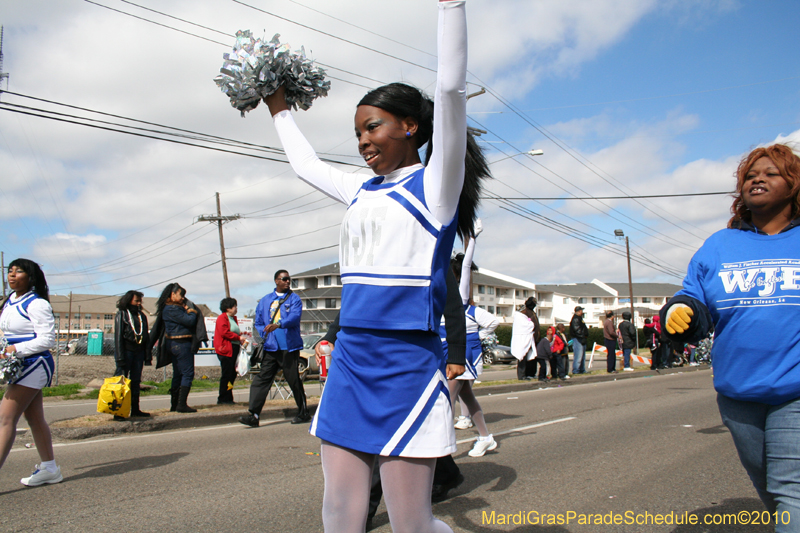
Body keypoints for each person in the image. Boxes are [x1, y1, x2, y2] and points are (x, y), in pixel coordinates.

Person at [262, 2, 484, 530]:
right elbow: (305, 164)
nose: (362, 141)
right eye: (358, 132)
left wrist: (450, 5)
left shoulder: (435, 186)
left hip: (407, 364)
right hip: (352, 362)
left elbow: (450, 89)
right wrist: (276, 103)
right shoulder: (359, 189)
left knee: (412, 525)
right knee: (340, 514)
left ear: (410, 126)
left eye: (373, 127)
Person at [660, 144, 800, 532]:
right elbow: (693, 298)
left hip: (796, 389)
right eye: (751, 175)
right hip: (738, 393)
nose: (758, 178)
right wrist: (679, 312)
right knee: (770, 491)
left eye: (771, 173)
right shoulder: (718, 246)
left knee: (792, 490)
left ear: (794, 184)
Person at [0, 258, 62, 486]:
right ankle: (50, 468)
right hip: (18, 364)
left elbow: (47, 340)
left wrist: (16, 349)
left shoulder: (37, 303)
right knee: (34, 418)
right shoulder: (10, 301)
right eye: (10, 271)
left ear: (31, 276)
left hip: (34, 363)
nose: (12, 275)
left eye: (19, 271)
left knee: (5, 419)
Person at [448, 221, 500, 457]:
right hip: (443, 350)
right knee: (465, 397)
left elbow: (466, 265)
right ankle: (486, 436)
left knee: (448, 399)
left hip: (462, 353)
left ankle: (441, 452)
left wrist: (472, 239)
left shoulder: (460, 294)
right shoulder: (437, 295)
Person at [239, 270, 309, 426]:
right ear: (276, 281)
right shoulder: (265, 301)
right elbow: (258, 321)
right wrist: (264, 333)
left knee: (293, 381)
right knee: (261, 380)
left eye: (288, 279)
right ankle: (254, 415)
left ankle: (303, 412)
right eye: (284, 279)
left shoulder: (294, 299)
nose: (287, 282)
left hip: (289, 348)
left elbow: (294, 317)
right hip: (271, 348)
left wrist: (279, 325)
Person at [149, 283, 206, 413]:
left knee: (178, 374)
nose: (183, 298)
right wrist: (191, 311)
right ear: (173, 294)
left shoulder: (168, 308)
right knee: (187, 373)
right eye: (181, 295)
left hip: (174, 344)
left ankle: (175, 404)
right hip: (181, 344)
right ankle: (181, 404)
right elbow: (190, 320)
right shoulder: (172, 309)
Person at [113, 290, 151, 419]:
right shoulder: (122, 315)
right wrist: (119, 357)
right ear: (129, 301)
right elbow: (118, 337)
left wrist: (147, 356)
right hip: (126, 352)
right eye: (136, 301)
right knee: (121, 382)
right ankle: (118, 411)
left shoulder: (142, 316)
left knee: (136, 381)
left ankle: (135, 409)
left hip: (138, 353)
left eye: (140, 301)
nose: (139, 303)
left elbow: (146, 337)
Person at [214, 297, 244, 405]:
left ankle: (229, 396)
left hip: (234, 348)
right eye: (234, 306)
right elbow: (224, 332)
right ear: (228, 308)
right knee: (227, 373)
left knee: (232, 374)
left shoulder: (233, 319)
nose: (236, 308)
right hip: (226, 349)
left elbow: (235, 332)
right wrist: (238, 338)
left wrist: (241, 337)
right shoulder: (222, 318)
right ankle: (222, 397)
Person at [511, 298, 539, 381]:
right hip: (524, 339)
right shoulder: (523, 314)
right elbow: (524, 325)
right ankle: (522, 375)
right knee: (522, 358)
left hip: (532, 339)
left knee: (532, 358)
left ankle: (531, 374)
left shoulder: (532, 313)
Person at [569, 306, 588, 374]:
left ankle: (582, 369)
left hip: (581, 338)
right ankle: (576, 370)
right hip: (578, 339)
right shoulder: (575, 319)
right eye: (581, 310)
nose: (582, 312)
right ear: (579, 311)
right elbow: (577, 329)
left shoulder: (579, 318)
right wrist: (582, 337)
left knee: (582, 356)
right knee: (578, 355)